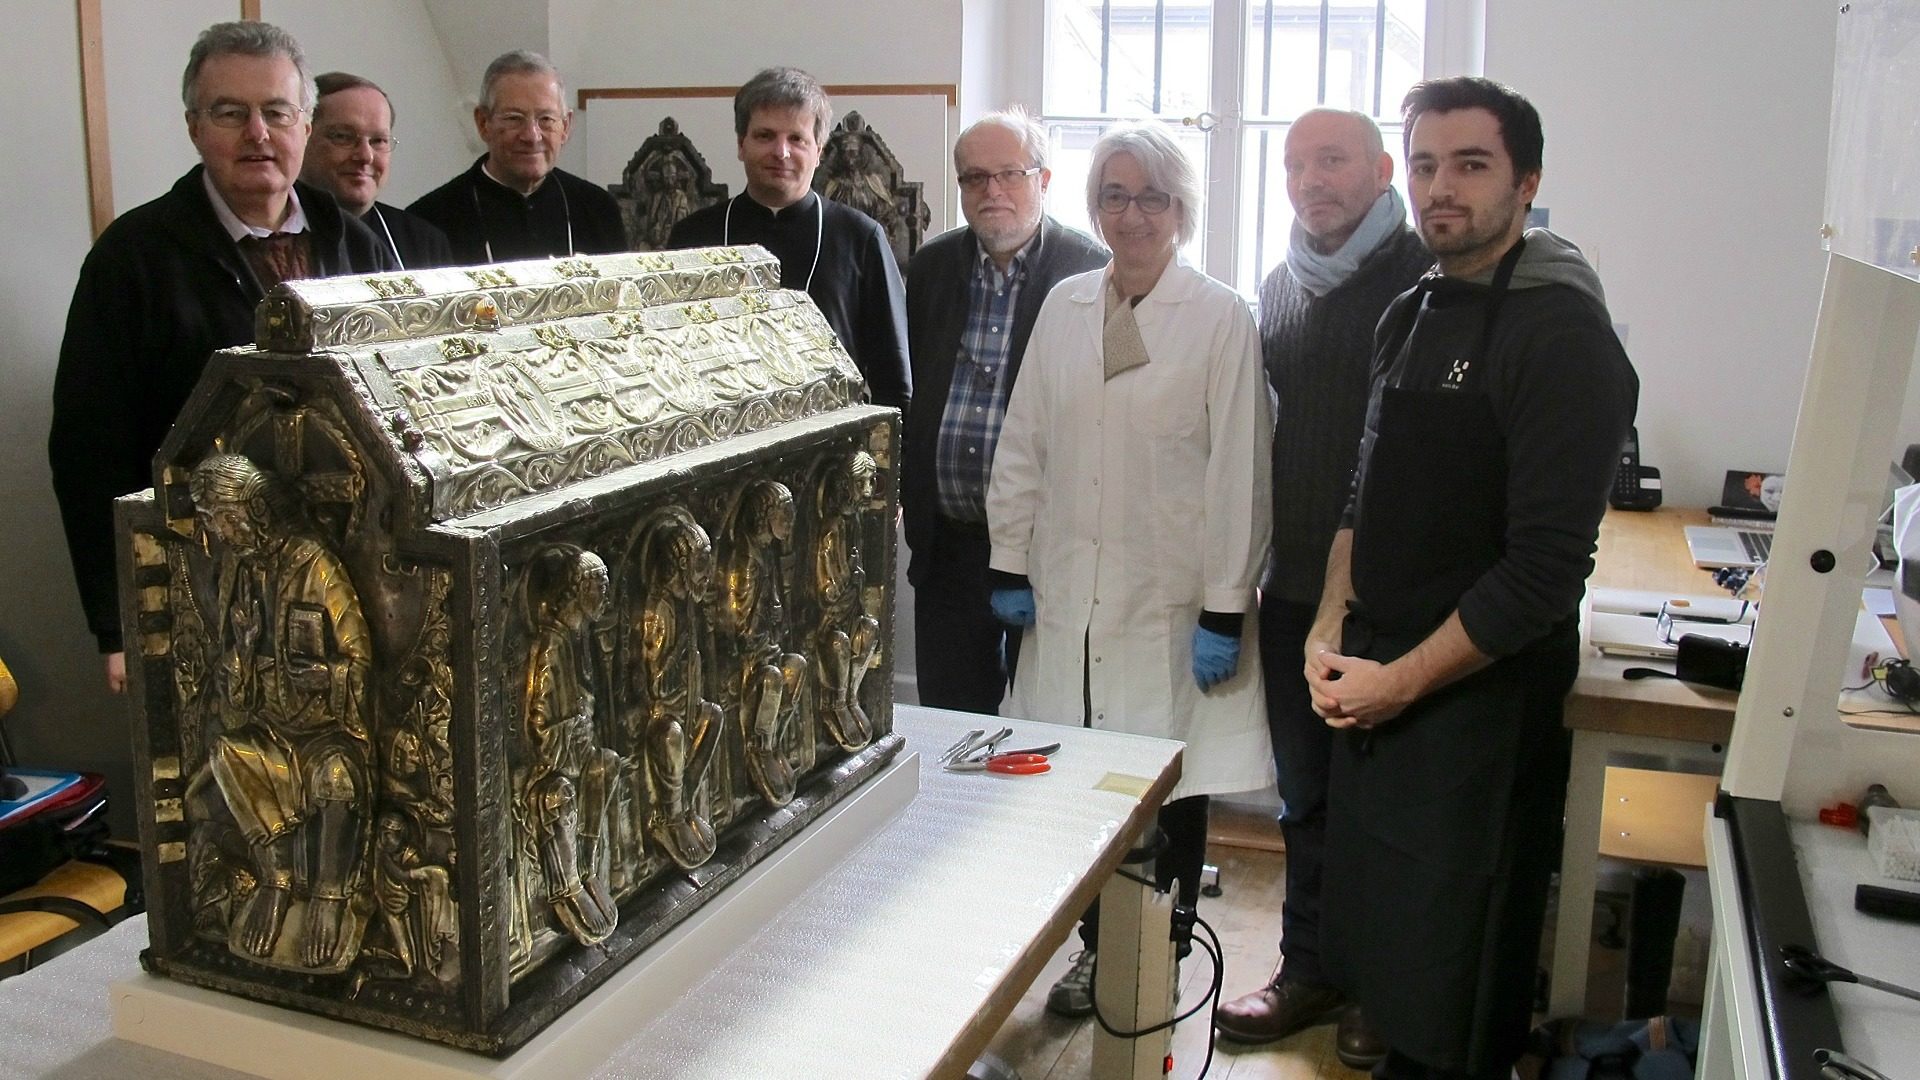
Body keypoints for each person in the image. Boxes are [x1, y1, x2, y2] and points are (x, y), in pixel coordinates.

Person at [1304, 77, 1637, 1080]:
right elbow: (1363, 495)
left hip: (1478, 711)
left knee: (1460, 990)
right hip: (1379, 690)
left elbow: (1541, 574)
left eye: (1472, 165)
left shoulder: (1565, 337)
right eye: (1425, 165)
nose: (1441, 188)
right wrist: (1330, 628)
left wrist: (1399, 681)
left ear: (1527, 182)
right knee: (1394, 970)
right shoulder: (1409, 310)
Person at [985, 122, 1274, 1018]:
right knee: (1073, 783)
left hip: (1169, 602)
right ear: (1094, 207)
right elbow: (1024, 438)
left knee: (1165, 788)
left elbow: (1241, 470)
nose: (1133, 213)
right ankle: (1092, 952)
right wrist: (1009, 557)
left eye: (1152, 196)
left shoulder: (1220, 316)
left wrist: (1226, 607)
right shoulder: (1066, 305)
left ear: (1181, 208)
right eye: (1115, 194)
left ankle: (1161, 951)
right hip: (1070, 593)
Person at [49, 20, 392, 694]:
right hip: (202, 592)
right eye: (230, 113)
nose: (257, 134)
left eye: (275, 112)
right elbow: (90, 451)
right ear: (194, 127)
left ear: (305, 123)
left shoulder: (357, 246)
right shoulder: (133, 258)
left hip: (349, 584)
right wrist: (120, 622)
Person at [1212, 108, 1430, 1067]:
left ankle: (1388, 990)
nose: (1312, 179)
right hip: (1295, 586)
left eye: (1332, 160)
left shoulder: (1429, 278)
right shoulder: (1281, 285)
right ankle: (1309, 968)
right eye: (1296, 163)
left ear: (1383, 168)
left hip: (1400, 596)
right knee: (1306, 801)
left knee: (1387, 808)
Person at [902, 107, 1107, 715]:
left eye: (1009, 174)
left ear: (1043, 181)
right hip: (948, 548)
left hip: (1048, 547)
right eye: (974, 178)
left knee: (1046, 718)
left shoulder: (1093, 271)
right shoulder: (932, 269)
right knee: (950, 718)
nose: (991, 191)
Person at [186, 453, 374, 971]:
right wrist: (244, 652)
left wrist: (320, 677)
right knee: (228, 755)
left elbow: (359, 658)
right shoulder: (237, 572)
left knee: (336, 781)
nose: (218, 530)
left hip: (326, 733)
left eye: (223, 516)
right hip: (269, 731)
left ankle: (331, 897)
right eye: (209, 520)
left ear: (255, 508)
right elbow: (232, 690)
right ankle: (277, 880)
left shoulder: (314, 564)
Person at [667, 68, 911, 412]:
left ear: (819, 150)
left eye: (796, 139)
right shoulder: (694, 236)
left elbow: (894, 378)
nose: (781, 152)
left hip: (831, 446)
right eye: (765, 136)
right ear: (741, 144)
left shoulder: (861, 237)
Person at [407, 50, 625, 265]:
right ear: (483, 123)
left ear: (565, 126)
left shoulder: (598, 209)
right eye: (514, 118)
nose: (532, 135)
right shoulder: (427, 223)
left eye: (546, 119)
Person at [302, 71, 454, 270]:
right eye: (343, 137)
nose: (365, 156)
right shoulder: (276, 234)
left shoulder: (425, 242)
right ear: (303, 137)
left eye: (378, 141)